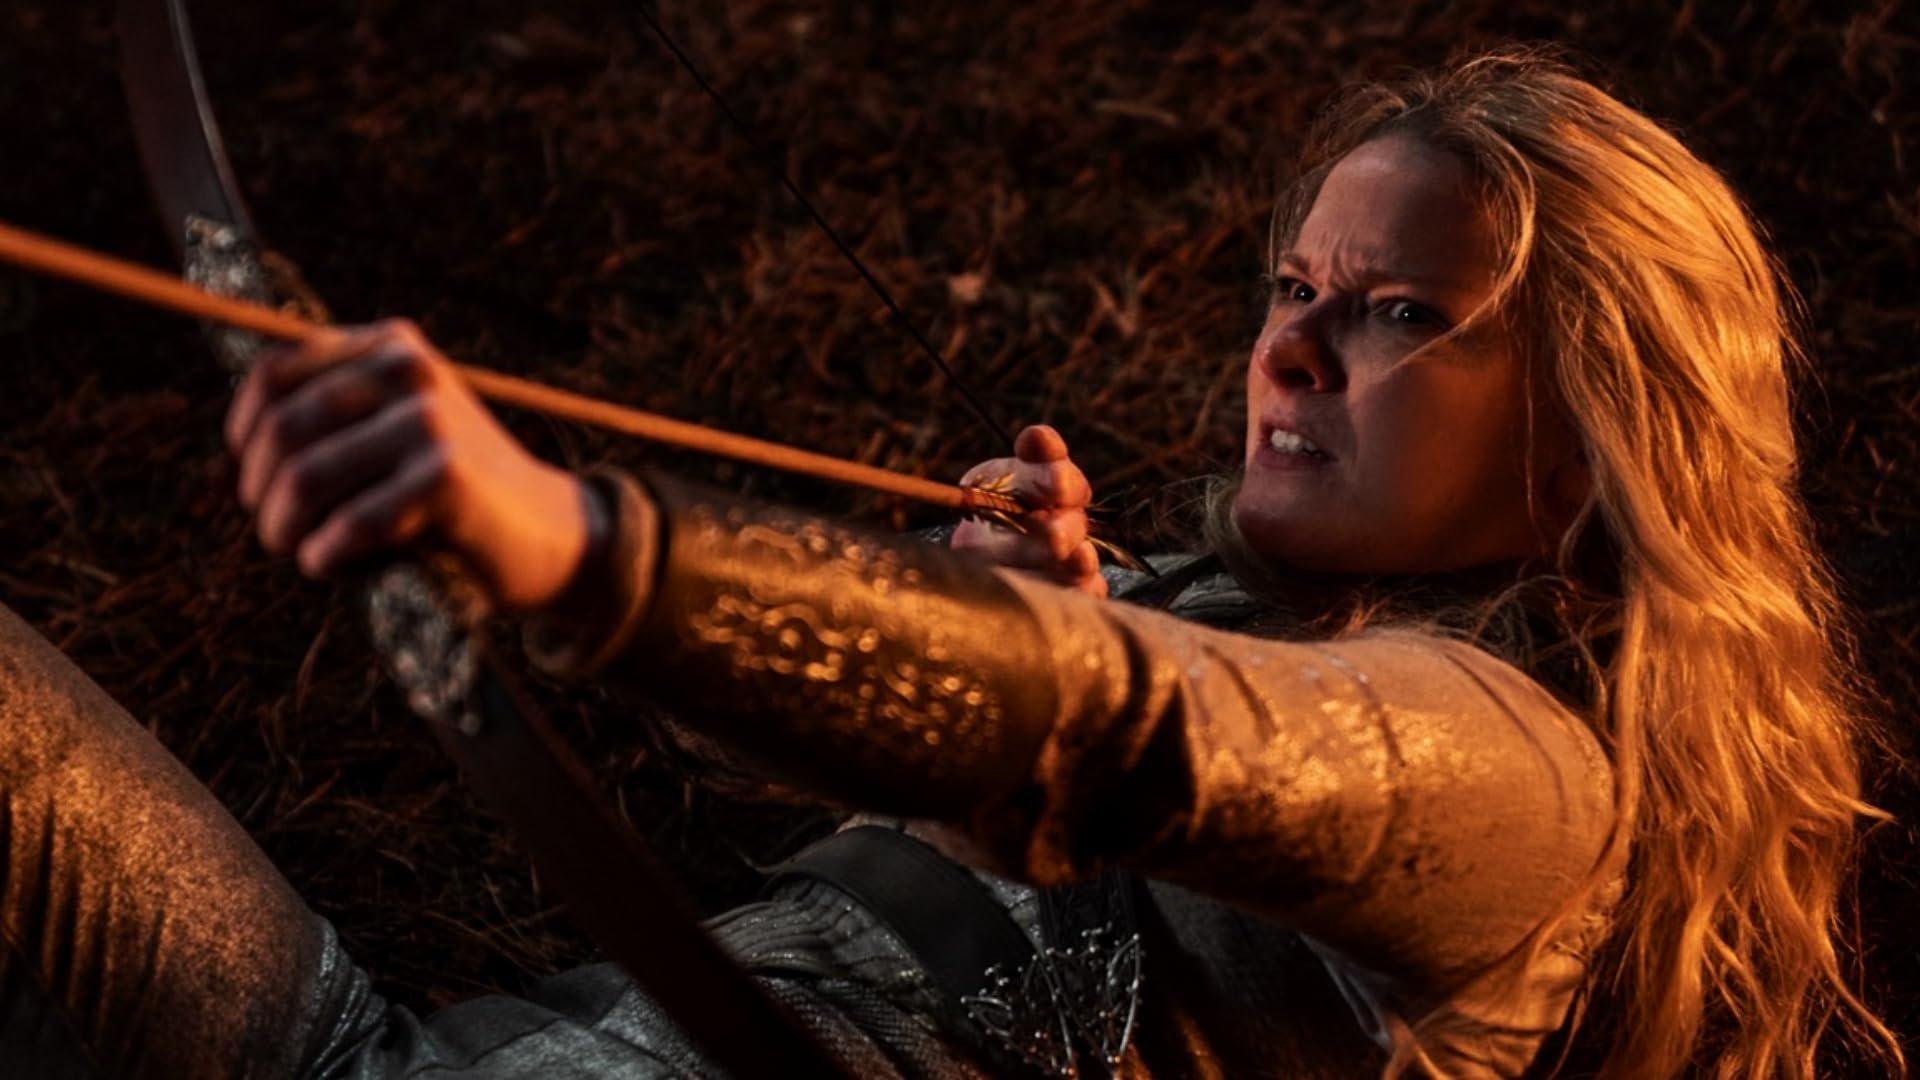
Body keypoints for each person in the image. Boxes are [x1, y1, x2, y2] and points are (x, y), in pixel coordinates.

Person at [0, 49, 1901, 1078]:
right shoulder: (1205, 614)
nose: (1293, 352)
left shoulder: (1533, 780)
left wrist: (563, 536)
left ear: (1592, 438)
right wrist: (983, 630)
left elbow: (1141, 737)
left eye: (1403, 312)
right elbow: (902, 732)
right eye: (1293, 287)